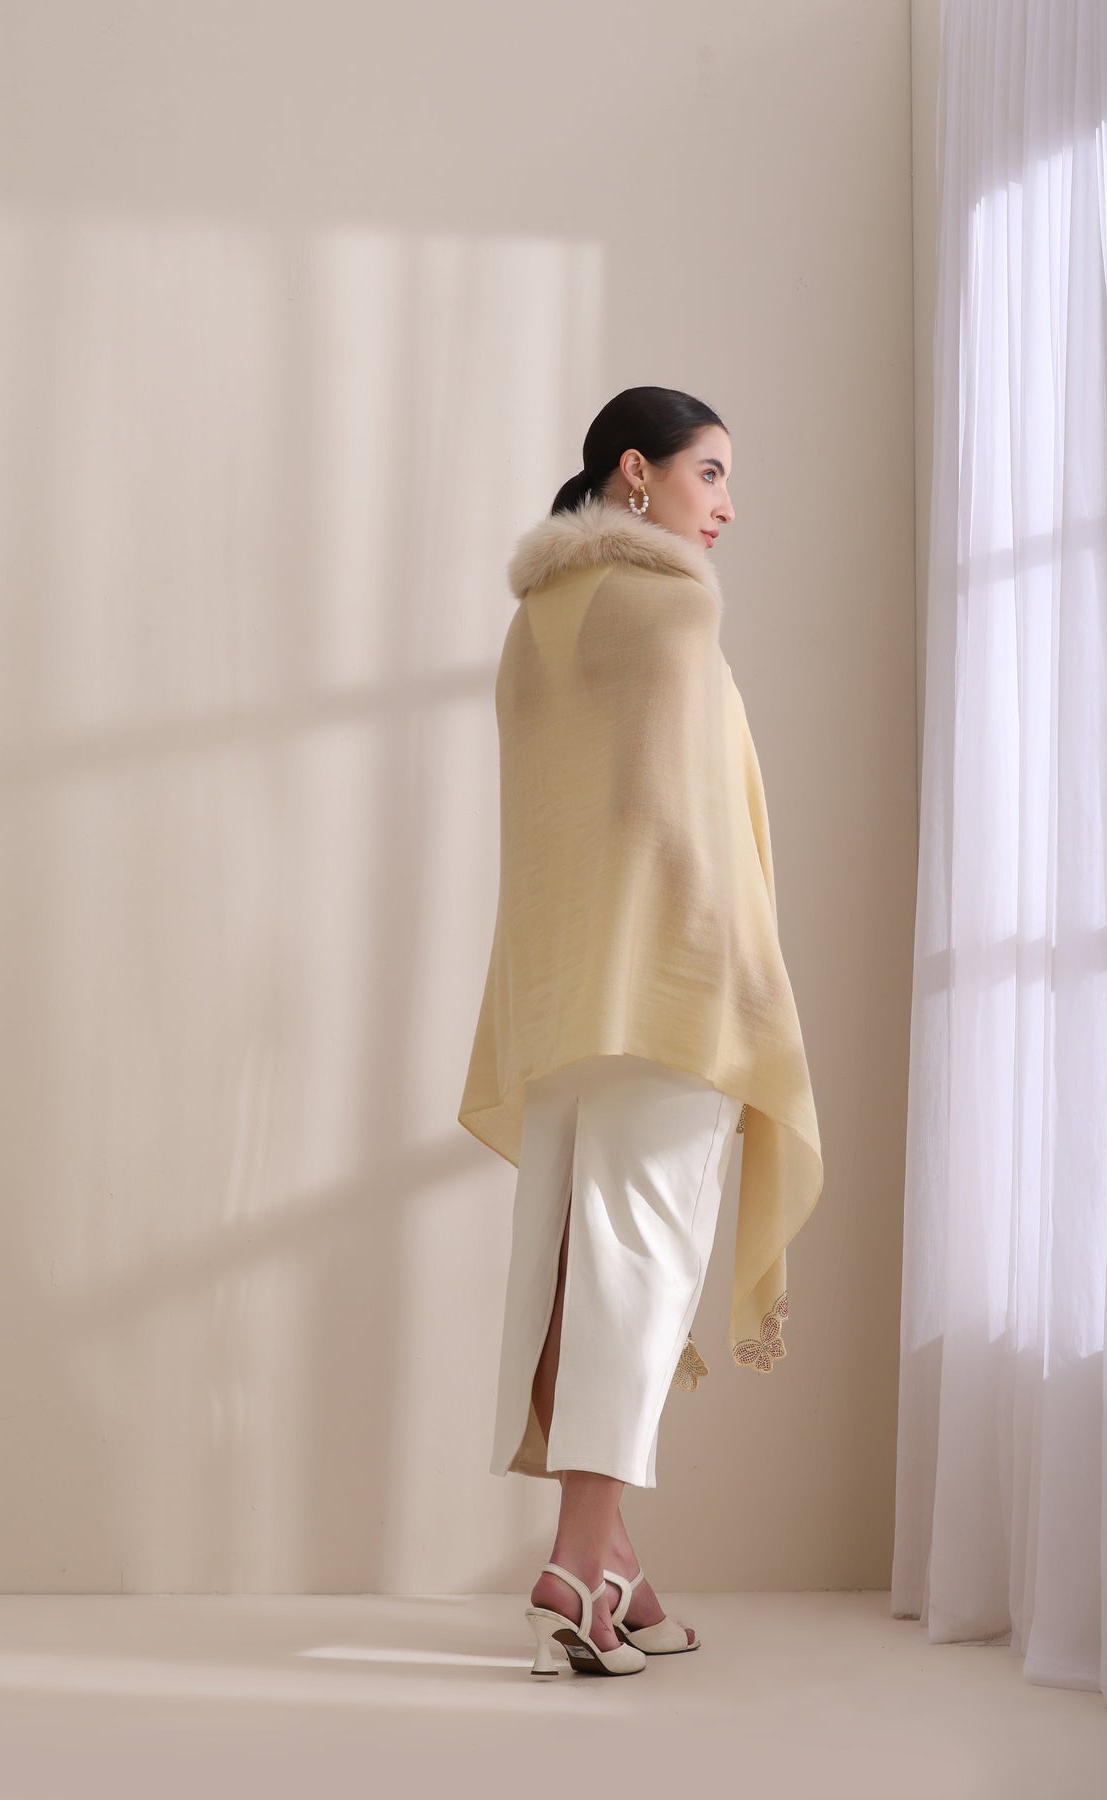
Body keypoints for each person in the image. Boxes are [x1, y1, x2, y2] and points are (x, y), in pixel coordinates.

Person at [458, 386, 824, 1676]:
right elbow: (680, 821)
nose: (725, 505)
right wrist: (750, 983)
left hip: (562, 993)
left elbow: (567, 815)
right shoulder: (674, 606)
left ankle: (618, 1569)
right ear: (636, 471)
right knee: (641, 1270)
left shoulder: (534, 623)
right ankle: (573, 1569)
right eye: (708, 473)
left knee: (575, 1270)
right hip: (670, 984)